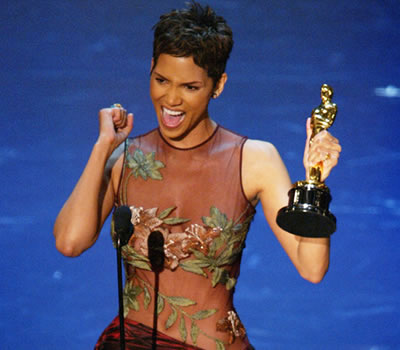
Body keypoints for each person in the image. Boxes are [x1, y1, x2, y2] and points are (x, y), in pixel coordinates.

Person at [53, 2, 342, 350]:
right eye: (161, 80)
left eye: (190, 87)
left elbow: (311, 267)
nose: (170, 99)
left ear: (217, 85)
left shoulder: (254, 160)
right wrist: (103, 148)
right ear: (150, 69)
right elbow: (70, 243)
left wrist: (316, 183)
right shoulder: (124, 158)